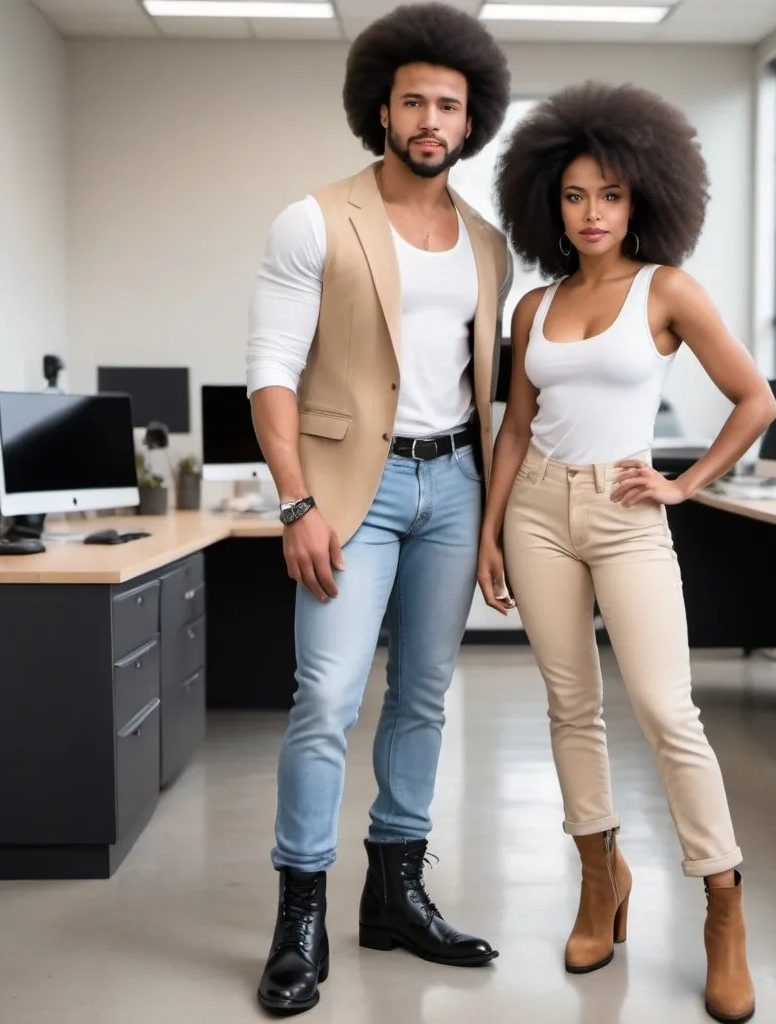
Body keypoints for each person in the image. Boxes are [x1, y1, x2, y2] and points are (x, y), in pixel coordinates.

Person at [478, 83, 776, 1024]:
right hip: (535, 514)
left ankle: (721, 907)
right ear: (547, 204)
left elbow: (753, 399)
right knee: (572, 706)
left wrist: (686, 487)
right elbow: (516, 430)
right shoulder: (532, 308)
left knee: (664, 707)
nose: (593, 213)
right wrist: (489, 532)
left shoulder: (667, 290)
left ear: (641, 195)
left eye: (609, 194)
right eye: (573, 196)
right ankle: (599, 881)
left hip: (624, 508)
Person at [245, 4, 512, 1015]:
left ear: (470, 116)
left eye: (449, 102)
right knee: (326, 699)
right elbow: (269, 367)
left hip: (453, 487)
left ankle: (395, 892)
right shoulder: (314, 217)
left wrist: (491, 519)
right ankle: (297, 916)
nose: (431, 117)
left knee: (426, 697)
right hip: (349, 490)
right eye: (414, 100)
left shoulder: (488, 244)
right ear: (382, 109)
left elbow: (491, 390)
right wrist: (296, 501)